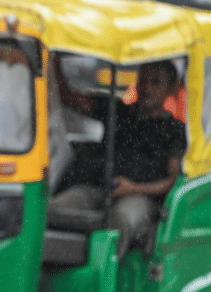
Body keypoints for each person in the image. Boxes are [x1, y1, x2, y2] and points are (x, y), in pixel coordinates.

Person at [49, 55, 187, 259]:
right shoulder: (119, 111)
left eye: (155, 82)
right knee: (53, 210)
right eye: (143, 80)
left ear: (171, 88)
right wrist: (56, 60)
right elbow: (69, 97)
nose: (147, 88)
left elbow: (173, 181)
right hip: (101, 188)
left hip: (142, 197)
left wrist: (133, 188)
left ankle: (103, 280)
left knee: (120, 220)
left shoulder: (174, 131)